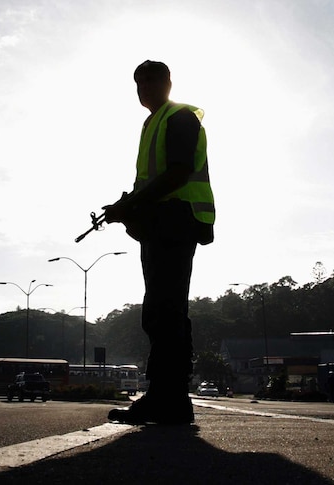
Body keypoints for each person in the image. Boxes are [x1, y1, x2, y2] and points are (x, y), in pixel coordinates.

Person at [103, 60, 215, 425]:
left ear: (169, 83)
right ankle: (169, 398)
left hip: (176, 221)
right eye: (139, 82)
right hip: (161, 225)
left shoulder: (179, 117)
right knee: (163, 312)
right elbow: (152, 181)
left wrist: (131, 204)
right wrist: (127, 206)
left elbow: (178, 172)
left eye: (152, 79)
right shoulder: (153, 123)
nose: (145, 86)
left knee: (164, 312)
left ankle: (169, 398)